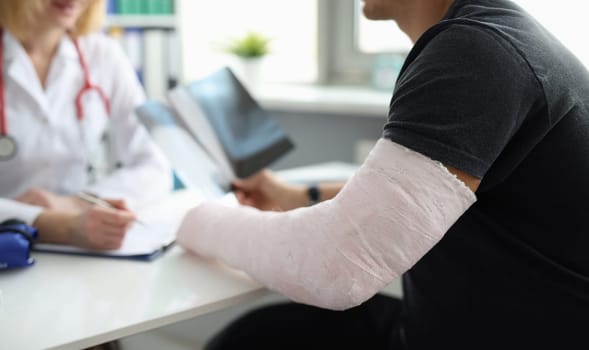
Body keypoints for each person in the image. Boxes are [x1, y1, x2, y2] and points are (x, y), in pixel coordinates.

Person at [176, 0, 589, 348]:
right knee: (256, 336)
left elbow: (334, 267)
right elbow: (417, 196)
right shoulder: (502, 37)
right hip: (453, 328)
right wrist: (292, 195)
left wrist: (194, 221)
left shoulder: (476, 51)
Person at [0, 0, 172, 251]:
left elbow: (154, 167)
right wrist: (59, 225)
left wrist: (74, 203)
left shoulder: (103, 54)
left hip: (84, 246)